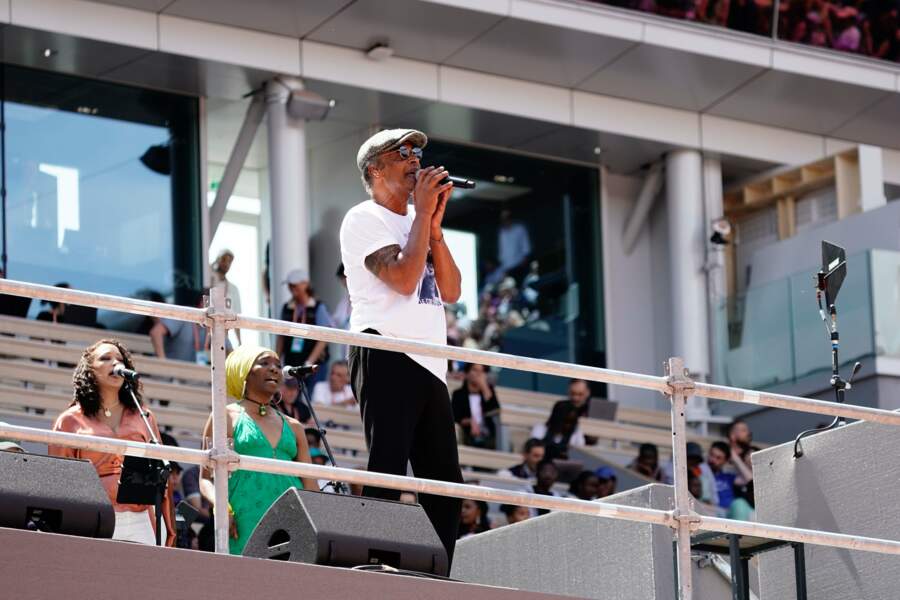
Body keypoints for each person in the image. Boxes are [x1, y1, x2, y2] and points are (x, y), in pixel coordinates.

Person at [340, 128, 464, 564]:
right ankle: (375, 563)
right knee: (388, 465)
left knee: (445, 483)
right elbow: (404, 278)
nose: (415, 160)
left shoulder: (417, 223)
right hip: (385, 348)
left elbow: (450, 290)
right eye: (403, 153)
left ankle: (437, 571)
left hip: (430, 361)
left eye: (417, 153)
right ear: (375, 168)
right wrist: (422, 216)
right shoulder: (363, 217)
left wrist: (434, 229)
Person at [49, 339, 175, 546]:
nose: (116, 364)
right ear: (89, 370)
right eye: (105, 358)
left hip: (141, 517)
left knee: (143, 577)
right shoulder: (70, 420)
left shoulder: (143, 416)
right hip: (95, 516)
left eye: (120, 359)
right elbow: (59, 480)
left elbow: (160, 467)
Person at [199, 345, 317, 555]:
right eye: (264, 363)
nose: (274, 369)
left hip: (290, 521)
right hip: (243, 519)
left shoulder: (294, 427)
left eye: (278, 366)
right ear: (243, 371)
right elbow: (205, 477)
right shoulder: (224, 417)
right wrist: (222, 507)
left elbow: (310, 485)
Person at [275, 269, 333, 384]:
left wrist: (309, 362)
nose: (292, 288)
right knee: (292, 398)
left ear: (305, 284)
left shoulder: (318, 307)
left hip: (315, 365)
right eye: (290, 285)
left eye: (295, 284)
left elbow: (324, 337)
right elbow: (281, 336)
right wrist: (276, 360)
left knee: (311, 397)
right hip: (291, 363)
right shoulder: (287, 308)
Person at [149, 289, 212, 364]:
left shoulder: (213, 324)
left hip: (191, 373)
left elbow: (227, 347)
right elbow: (155, 332)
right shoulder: (184, 315)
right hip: (170, 373)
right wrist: (163, 363)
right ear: (201, 303)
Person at [450, 363, 501, 449]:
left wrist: (484, 387)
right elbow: (454, 417)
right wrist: (470, 421)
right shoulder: (458, 394)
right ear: (467, 373)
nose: (479, 374)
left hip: (487, 436)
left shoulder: (489, 391)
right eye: (475, 370)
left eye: (482, 371)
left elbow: (494, 411)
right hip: (466, 435)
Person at [211, 248, 242, 345]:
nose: (226, 264)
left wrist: (239, 342)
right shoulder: (209, 279)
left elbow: (237, 316)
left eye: (229, 261)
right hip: (208, 332)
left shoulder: (233, 289)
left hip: (224, 334)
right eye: (224, 260)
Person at [707, 441, 736, 516]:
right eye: (711, 455)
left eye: (718, 458)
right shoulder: (699, 472)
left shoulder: (728, 477)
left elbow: (748, 479)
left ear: (725, 461)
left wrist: (735, 457)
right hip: (709, 512)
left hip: (729, 515)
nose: (712, 460)